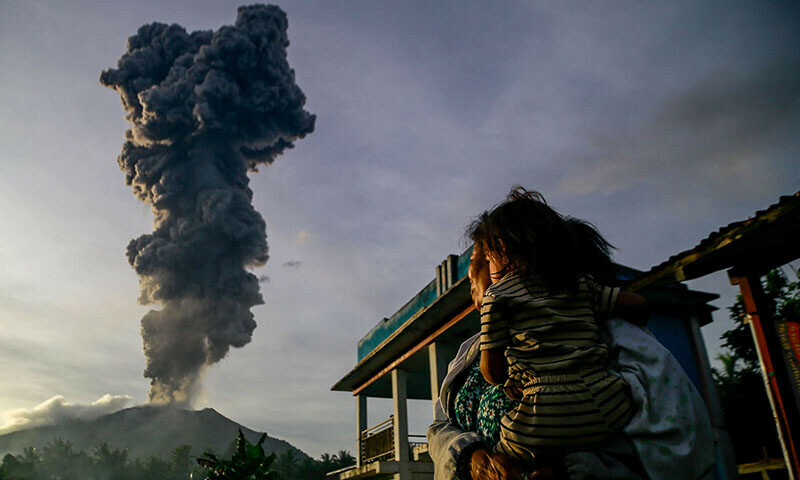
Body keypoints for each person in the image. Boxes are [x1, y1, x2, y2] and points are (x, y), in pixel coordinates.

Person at [427, 194, 716, 480]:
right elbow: (440, 426)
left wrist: (577, 469)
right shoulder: (471, 350)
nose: (471, 272)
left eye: (479, 257)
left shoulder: (613, 337)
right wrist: (470, 458)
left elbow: (679, 446)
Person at [469, 187, 648, 464]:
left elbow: (492, 372)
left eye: (488, 258)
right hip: (607, 406)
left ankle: (545, 470)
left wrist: (510, 375)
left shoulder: (498, 296)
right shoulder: (579, 284)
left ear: (502, 250)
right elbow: (637, 305)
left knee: (502, 458)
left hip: (542, 415)